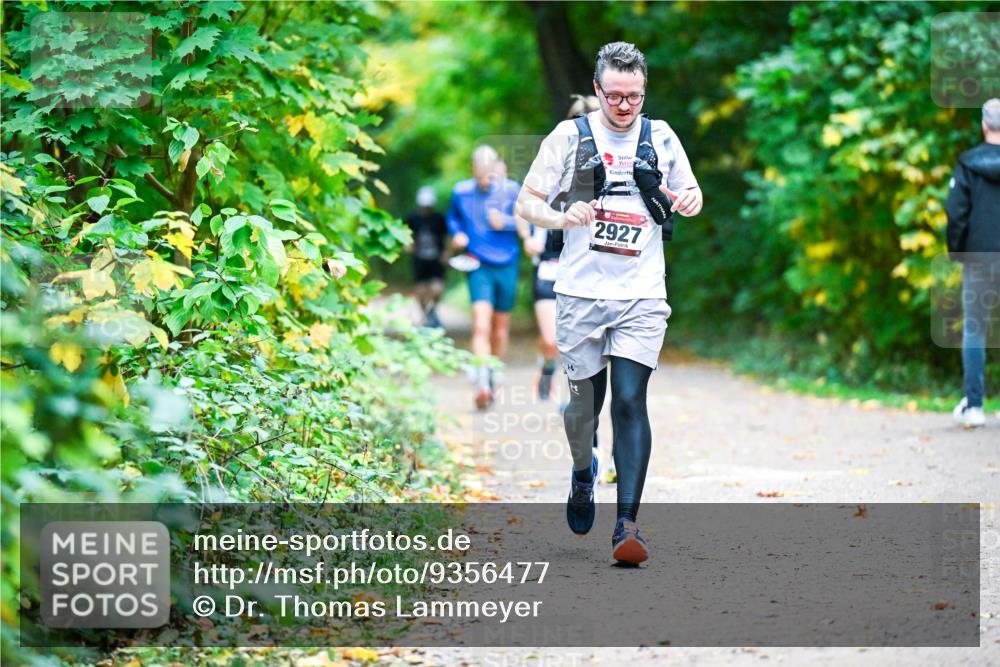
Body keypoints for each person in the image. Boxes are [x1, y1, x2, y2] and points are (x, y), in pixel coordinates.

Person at [515, 42, 703, 564]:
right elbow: (526, 201)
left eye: (634, 96)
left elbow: (691, 194)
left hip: (642, 294)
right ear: (597, 90)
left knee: (628, 399)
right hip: (579, 294)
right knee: (583, 407)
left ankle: (627, 527)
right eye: (615, 95)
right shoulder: (568, 137)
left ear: (645, 91)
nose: (624, 106)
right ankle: (582, 472)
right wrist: (561, 217)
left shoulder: (661, 137)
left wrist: (688, 200)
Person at [522, 95, 602, 403]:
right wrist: (528, 236)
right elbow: (525, 203)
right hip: (548, 269)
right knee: (551, 340)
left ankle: (574, 398)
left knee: (581, 343)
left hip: (585, 271)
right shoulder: (554, 161)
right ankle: (546, 367)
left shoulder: (608, 174)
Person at [446, 146, 522, 410]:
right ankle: (482, 382)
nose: (485, 182)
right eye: (480, 177)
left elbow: (529, 223)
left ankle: (492, 371)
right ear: (473, 171)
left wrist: (506, 221)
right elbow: (452, 218)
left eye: (490, 176)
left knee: (500, 328)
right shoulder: (461, 191)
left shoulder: (511, 190)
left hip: (507, 262)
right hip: (477, 263)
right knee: (481, 324)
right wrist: (457, 233)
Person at [946, 98, 1000, 428]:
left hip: (979, 257)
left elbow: (956, 214)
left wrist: (957, 252)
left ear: (984, 124)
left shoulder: (967, 165)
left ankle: (975, 407)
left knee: (975, 329)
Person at [405, 186, 448, 328]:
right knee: (421, 290)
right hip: (419, 259)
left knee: (437, 289)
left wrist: (446, 253)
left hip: (436, 259)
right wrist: (408, 246)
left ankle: (432, 311)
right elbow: (405, 235)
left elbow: (446, 236)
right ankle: (426, 316)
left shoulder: (439, 218)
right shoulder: (412, 218)